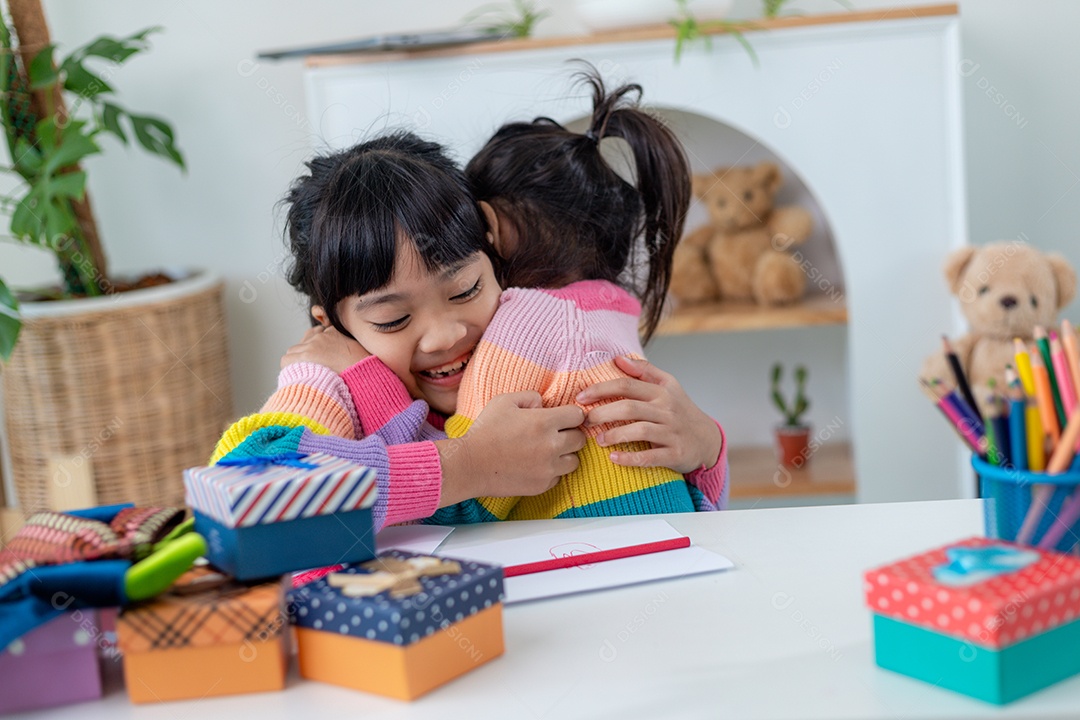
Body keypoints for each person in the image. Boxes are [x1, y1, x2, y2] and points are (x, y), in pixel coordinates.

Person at [430, 66, 725, 520]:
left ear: (487, 226)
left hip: (591, 564)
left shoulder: (527, 322)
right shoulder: (614, 310)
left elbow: (464, 510)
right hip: (675, 540)